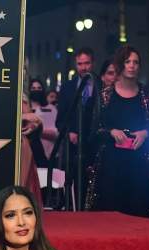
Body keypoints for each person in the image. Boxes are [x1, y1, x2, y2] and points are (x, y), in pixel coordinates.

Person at [85, 45, 149, 217]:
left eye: (136, 62)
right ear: (120, 64)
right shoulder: (104, 96)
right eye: (128, 62)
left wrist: (145, 133)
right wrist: (111, 131)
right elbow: (92, 130)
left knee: (138, 212)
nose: (132, 65)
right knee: (110, 213)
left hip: (139, 163)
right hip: (110, 164)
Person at [56, 48, 98, 202]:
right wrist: (69, 132)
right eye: (80, 64)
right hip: (73, 148)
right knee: (73, 188)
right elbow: (60, 120)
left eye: (86, 63)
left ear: (92, 63)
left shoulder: (100, 85)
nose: (83, 67)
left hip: (94, 146)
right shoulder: (67, 87)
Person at [28, 78, 58, 168]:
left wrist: (37, 130)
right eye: (33, 88)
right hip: (27, 153)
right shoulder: (24, 108)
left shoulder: (51, 109)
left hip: (46, 154)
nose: (36, 90)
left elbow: (56, 133)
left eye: (39, 88)